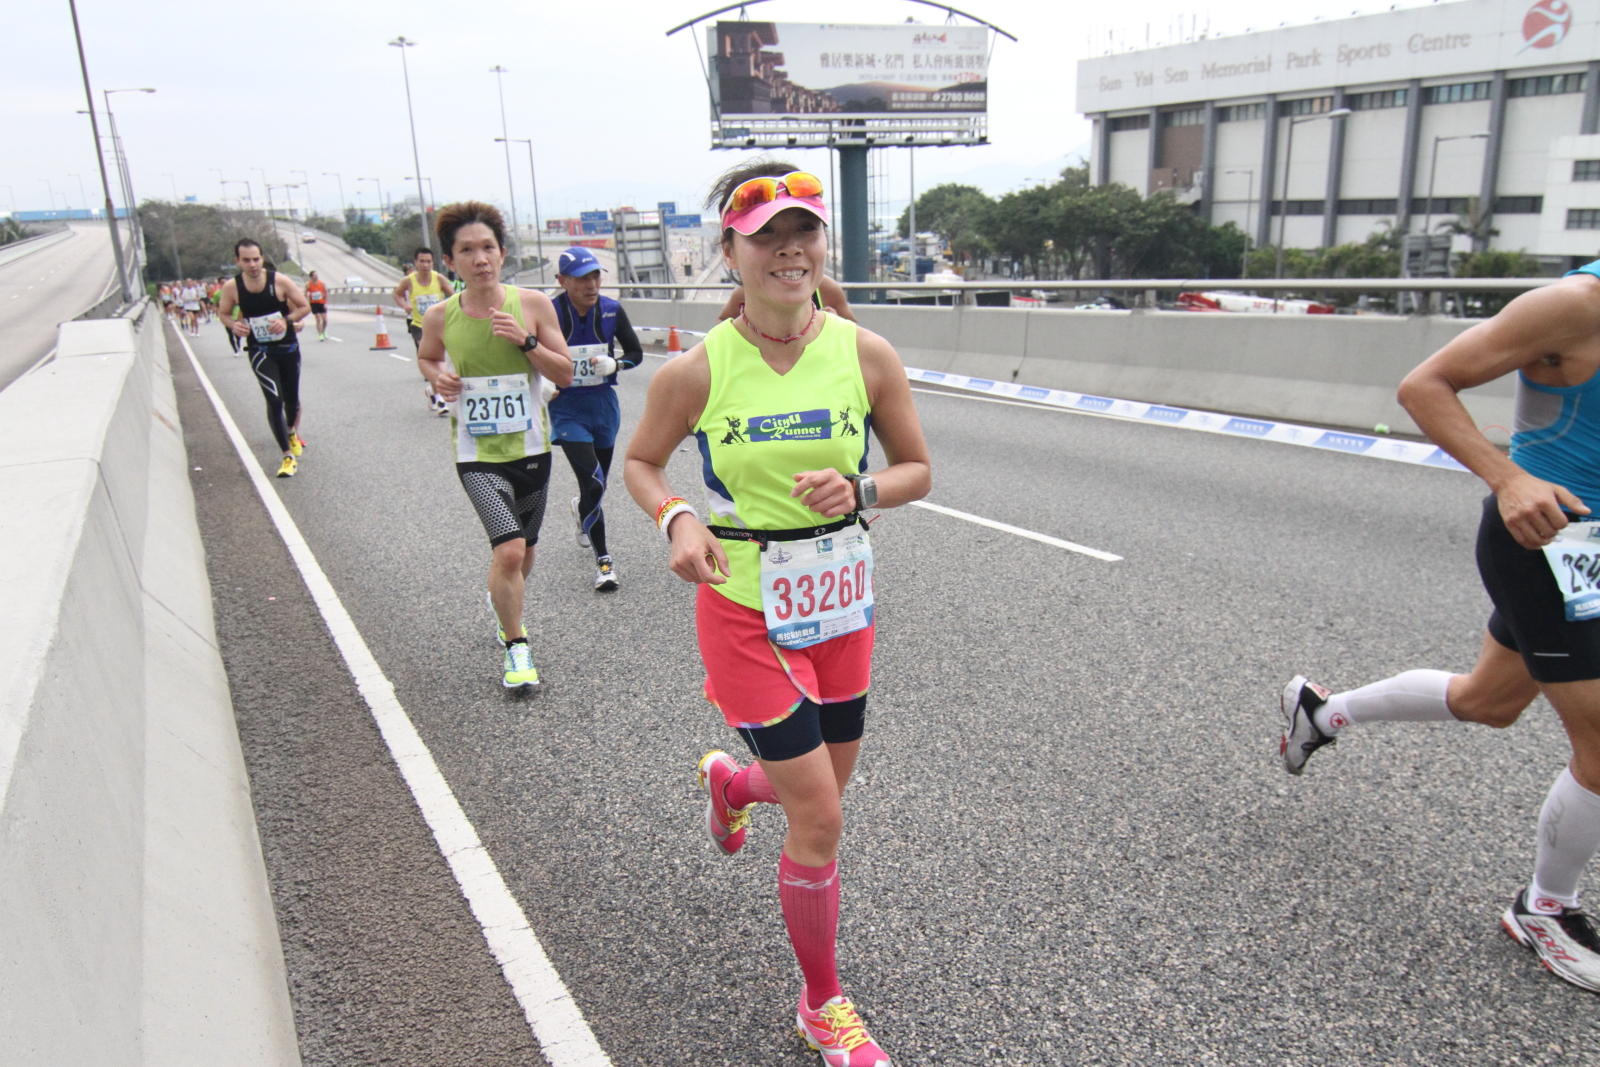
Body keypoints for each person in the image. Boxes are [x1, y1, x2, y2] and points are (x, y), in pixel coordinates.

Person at [624, 161, 931, 1065]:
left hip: (840, 604)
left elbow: (917, 470)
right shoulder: (698, 369)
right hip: (742, 605)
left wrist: (862, 487)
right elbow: (641, 462)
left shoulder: (865, 354)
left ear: (821, 247)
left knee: (823, 789)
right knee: (821, 818)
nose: (789, 250)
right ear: (731, 252)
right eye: (767, 237)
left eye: (804, 232)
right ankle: (822, 1003)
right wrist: (677, 517)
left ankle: (732, 785)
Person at [1280, 259, 1600, 995]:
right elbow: (1424, 385)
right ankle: (1546, 910)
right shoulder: (1573, 306)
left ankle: (1323, 712)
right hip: (1552, 539)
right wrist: (1508, 477)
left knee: (1490, 700)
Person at [416, 202, 572, 692]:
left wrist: (527, 342)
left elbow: (566, 372)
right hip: (477, 454)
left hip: (532, 449)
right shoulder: (440, 316)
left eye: (488, 247)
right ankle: (516, 646)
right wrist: (438, 378)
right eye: (467, 250)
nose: (480, 259)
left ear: (503, 254)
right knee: (508, 551)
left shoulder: (533, 306)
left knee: (525, 552)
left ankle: (503, 600)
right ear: (450, 261)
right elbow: (427, 358)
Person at [549, 246, 643, 592]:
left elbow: (636, 353)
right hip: (567, 408)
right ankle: (604, 562)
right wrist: (543, 381)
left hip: (603, 406)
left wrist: (616, 364)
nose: (591, 284)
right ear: (562, 281)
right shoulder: (550, 312)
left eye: (595, 276)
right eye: (581, 278)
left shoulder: (611, 310)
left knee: (598, 483)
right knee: (592, 482)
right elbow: (528, 354)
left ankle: (582, 510)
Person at [216, 239, 312, 478]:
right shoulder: (232, 287)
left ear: (262, 258)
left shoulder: (280, 281)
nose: (252, 265)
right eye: (246, 260)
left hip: (287, 348)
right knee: (274, 399)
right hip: (260, 350)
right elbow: (223, 313)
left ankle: (291, 430)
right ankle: (287, 456)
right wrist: (234, 325)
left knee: (291, 400)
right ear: (237, 261)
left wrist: (286, 321)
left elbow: (304, 307)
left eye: (256, 259)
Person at [395, 246, 453, 414]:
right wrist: (404, 305)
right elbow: (397, 294)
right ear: (416, 262)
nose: (425, 265)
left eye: (428, 261)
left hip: (439, 326)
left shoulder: (439, 278)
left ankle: (432, 392)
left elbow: (453, 295)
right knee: (433, 360)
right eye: (422, 261)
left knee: (440, 362)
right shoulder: (408, 281)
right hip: (419, 325)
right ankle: (441, 400)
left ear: (433, 263)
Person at [718, 273, 857, 324]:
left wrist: (836, 325)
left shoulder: (825, 288)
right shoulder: (746, 292)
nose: (791, 249)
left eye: (805, 229)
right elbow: (722, 330)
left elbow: (854, 336)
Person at [304, 270, 331, 340]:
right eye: (314, 275)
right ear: (311, 277)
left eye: (317, 275)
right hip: (313, 303)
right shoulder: (308, 284)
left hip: (321, 303)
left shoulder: (322, 283)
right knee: (318, 318)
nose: (316, 276)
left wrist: (325, 303)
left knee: (325, 320)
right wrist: (306, 302)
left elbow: (326, 293)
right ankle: (320, 334)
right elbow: (305, 293)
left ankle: (323, 331)